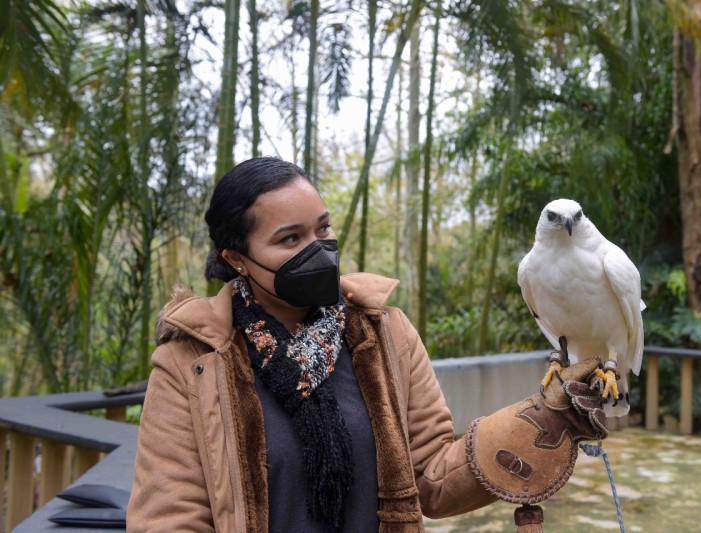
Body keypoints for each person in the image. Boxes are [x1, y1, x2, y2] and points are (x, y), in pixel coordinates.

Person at [128, 156, 608, 532]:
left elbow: (432, 478)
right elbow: (169, 518)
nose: (316, 248)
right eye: (290, 239)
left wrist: (544, 421)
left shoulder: (384, 335)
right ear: (237, 258)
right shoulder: (191, 363)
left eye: (322, 228)